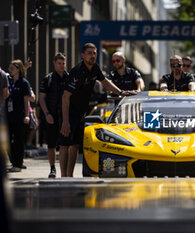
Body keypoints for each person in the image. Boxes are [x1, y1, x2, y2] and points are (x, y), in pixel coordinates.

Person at [59, 43, 136, 177]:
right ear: (83, 55)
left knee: (75, 145)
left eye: (94, 53)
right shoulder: (77, 72)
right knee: (65, 145)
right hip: (69, 112)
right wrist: (65, 121)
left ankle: (69, 177)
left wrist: (121, 92)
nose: (92, 56)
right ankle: (63, 176)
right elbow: (65, 97)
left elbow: (105, 81)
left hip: (82, 112)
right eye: (89, 53)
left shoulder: (95, 68)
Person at [39, 52, 68, 178]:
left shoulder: (70, 78)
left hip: (65, 117)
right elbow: (41, 98)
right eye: (59, 63)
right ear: (54, 64)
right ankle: (52, 168)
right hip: (51, 116)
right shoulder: (48, 79)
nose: (62, 66)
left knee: (64, 144)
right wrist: (46, 114)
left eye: (63, 63)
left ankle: (64, 171)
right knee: (51, 145)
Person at [5, 60, 31, 172]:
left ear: (18, 70)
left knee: (18, 141)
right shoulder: (8, 81)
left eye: (12, 68)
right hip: (8, 115)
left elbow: (26, 101)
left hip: (19, 116)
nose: (10, 70)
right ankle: (14, 161)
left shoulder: (24, 83)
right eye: (9, 68)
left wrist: (27, 115)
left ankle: (18, 163)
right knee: (6, 140)